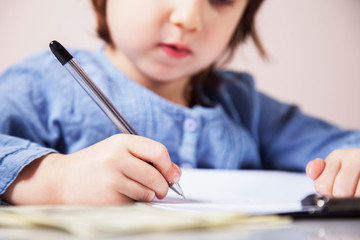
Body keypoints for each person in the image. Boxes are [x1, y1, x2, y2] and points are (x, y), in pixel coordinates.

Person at [0, 0, 359, 206]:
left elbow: (344, 147)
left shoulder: (242, 103)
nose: (189, 18)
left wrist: (351, 166)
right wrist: (56, 181)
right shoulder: (44, 85)